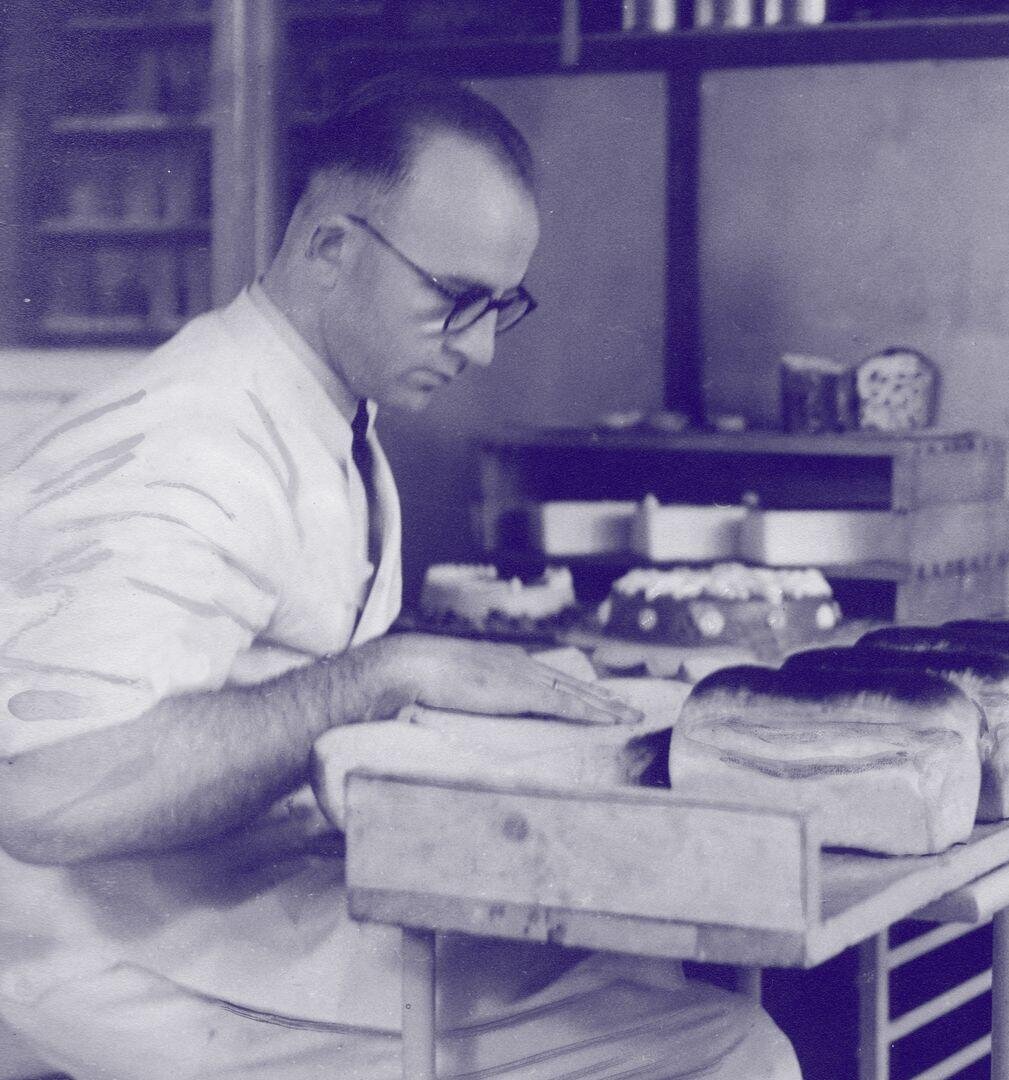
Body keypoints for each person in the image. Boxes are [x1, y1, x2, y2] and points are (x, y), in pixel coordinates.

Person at [0, 74, 800, 1079]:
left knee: (651, 976)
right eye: (453, 301)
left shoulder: (332, 419)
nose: (478, 349)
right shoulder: (190, 435)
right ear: (332, 246)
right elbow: (43, 794)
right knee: (724, 1050)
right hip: (120, 960)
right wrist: (388, 675)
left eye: (498, 308)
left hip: (244, 915)